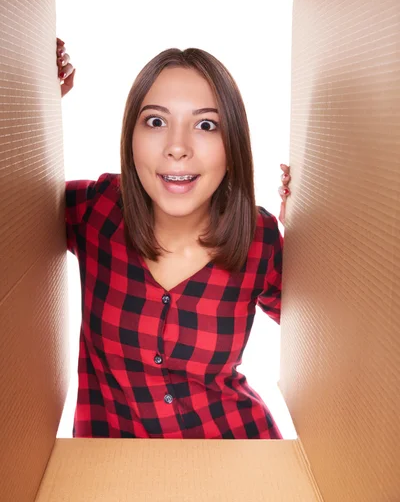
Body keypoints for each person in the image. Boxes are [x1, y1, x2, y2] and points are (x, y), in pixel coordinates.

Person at [56, 38, 292, 439]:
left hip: (241, 454)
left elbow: (339, 330)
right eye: (155, 121)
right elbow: (13, 201)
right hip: (109, 469)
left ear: (232, 146)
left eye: (205, 125)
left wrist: (318, 233)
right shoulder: (96, 211)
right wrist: (30, 97)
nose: (177, 148)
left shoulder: (260, 239)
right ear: (130, 138)